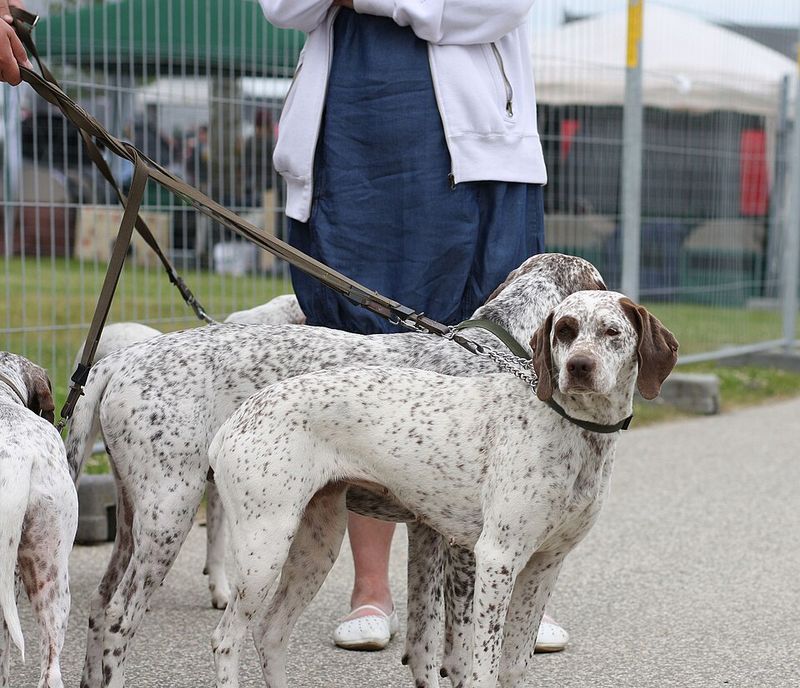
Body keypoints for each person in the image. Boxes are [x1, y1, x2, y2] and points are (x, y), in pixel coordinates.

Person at [259, 0, 569, 653]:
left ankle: (503, 587)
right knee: (367, 363)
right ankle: (370, 588)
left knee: (497, 369)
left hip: (479, 150)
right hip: (349, 147)